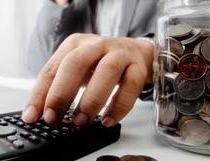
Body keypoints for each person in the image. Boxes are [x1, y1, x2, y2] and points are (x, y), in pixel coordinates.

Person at [24, 0, 157, 128]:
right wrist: (59, 3)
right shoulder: (79, 5)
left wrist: (153, 56)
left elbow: (175, 40)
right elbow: (40, 67)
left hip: (146, 117)